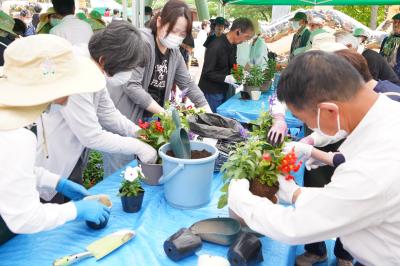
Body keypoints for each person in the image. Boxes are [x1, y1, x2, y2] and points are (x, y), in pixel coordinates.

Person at [228, 50, 400, 266]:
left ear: (329, 110)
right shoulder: (388, 110)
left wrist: (242, 201)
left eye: (304, 120)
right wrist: (294, 193)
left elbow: (295, 227)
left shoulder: (375, 167)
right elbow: (343, 202)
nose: (309, 129)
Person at [0, 34, 110, 245]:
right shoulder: (16, 136)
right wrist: (75, 210)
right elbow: (24, 218)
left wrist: (55, 182)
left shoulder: (20, 117)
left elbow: (8, 167)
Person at [36, 21, 157, 202]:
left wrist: (139, 133)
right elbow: (91, 136)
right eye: (128, 69)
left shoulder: (93, 66)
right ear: (104, 60)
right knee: (49, 213)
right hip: (51, 156)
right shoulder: (78, 73)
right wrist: (138, 147)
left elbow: (107, 113)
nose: (129, 75)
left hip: (70, 156)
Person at [104, 0, 210, 174]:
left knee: (144, 170)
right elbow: (132, 86)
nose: (177, 36)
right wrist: (163, 113)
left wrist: (206, 109)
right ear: (159, 21)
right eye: (174, 30)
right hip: (125, 118)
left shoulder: (174, 52)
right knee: (120, 173)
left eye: (182, 34)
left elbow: (187, 83)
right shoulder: (142, 42)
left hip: (149, 120)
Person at [199, 18, 255, 112]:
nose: (246, 41)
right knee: (212, 120)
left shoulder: (233, 44)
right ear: (238, 31)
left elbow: (233, 63)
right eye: (246, 37)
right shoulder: (216, 45)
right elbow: (207, 72)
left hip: (223, 88)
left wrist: (239, 74)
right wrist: (226, 78)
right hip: (211, 91)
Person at [380, 13, 400, 78]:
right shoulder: (386, 39)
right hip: (383, 74)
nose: (396, 25)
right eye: (395, 22)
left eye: (399, 23)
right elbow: (381, 55)